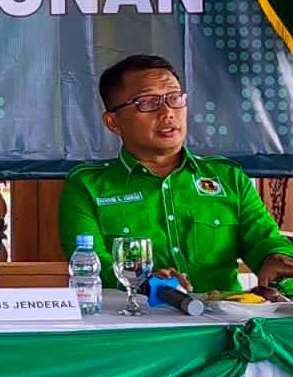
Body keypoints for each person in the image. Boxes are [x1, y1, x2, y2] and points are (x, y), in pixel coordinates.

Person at [59, 54, 293, 296]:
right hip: (138, 315)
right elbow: (93, 265)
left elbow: (263, 239)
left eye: (174, 98)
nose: (167, 112)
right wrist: (145, 282)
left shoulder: (228, 177)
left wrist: (275, 257)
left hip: (225, 315)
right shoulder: (87, 186)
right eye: (147, 102)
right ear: (113, 122)